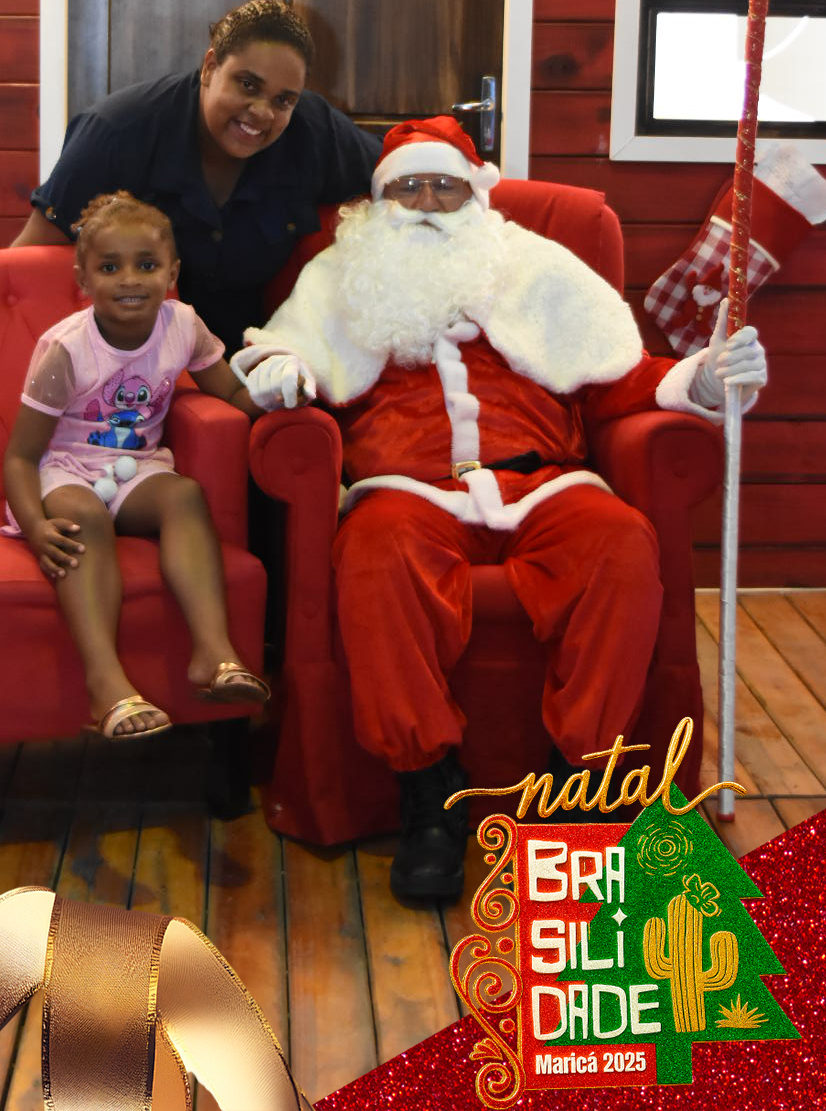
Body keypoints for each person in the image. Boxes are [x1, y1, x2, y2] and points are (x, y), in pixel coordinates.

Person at [232, 116, 767, 901]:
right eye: (406, 188)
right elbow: (290, 352)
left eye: (443, 186)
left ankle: (577, 783)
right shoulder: (342, 275)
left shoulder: (536, 266)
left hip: (545, 482)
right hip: (407, 491)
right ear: (380, 204)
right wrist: (281, 372)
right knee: (375, 559)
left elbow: (613, 375)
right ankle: (428, 794)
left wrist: (704, 379)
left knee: (622, 546)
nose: (425, 203)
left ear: (474, 195)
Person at [3, 191, 270, 741]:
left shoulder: (183, 325)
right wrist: (34, 525)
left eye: (147, 265)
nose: (130, 279)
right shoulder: (66, 350)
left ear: (172, 272)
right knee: (82, 518)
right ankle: (105, 684)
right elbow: (21, 456)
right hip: (66, 470)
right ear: (83, 279)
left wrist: (279, 391)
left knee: (184, 494)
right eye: (110, 267)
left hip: (135, 466)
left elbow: (230, 394)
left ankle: (213, 654)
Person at [13, 0, 381, 353]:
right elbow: (24, 268)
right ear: (210, 67)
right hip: (130, 364)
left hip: (256, 364)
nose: (262, 112)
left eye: (283, 100)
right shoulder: (116, 132)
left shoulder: (313, 131)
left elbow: (399, 164)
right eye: (248, 85)